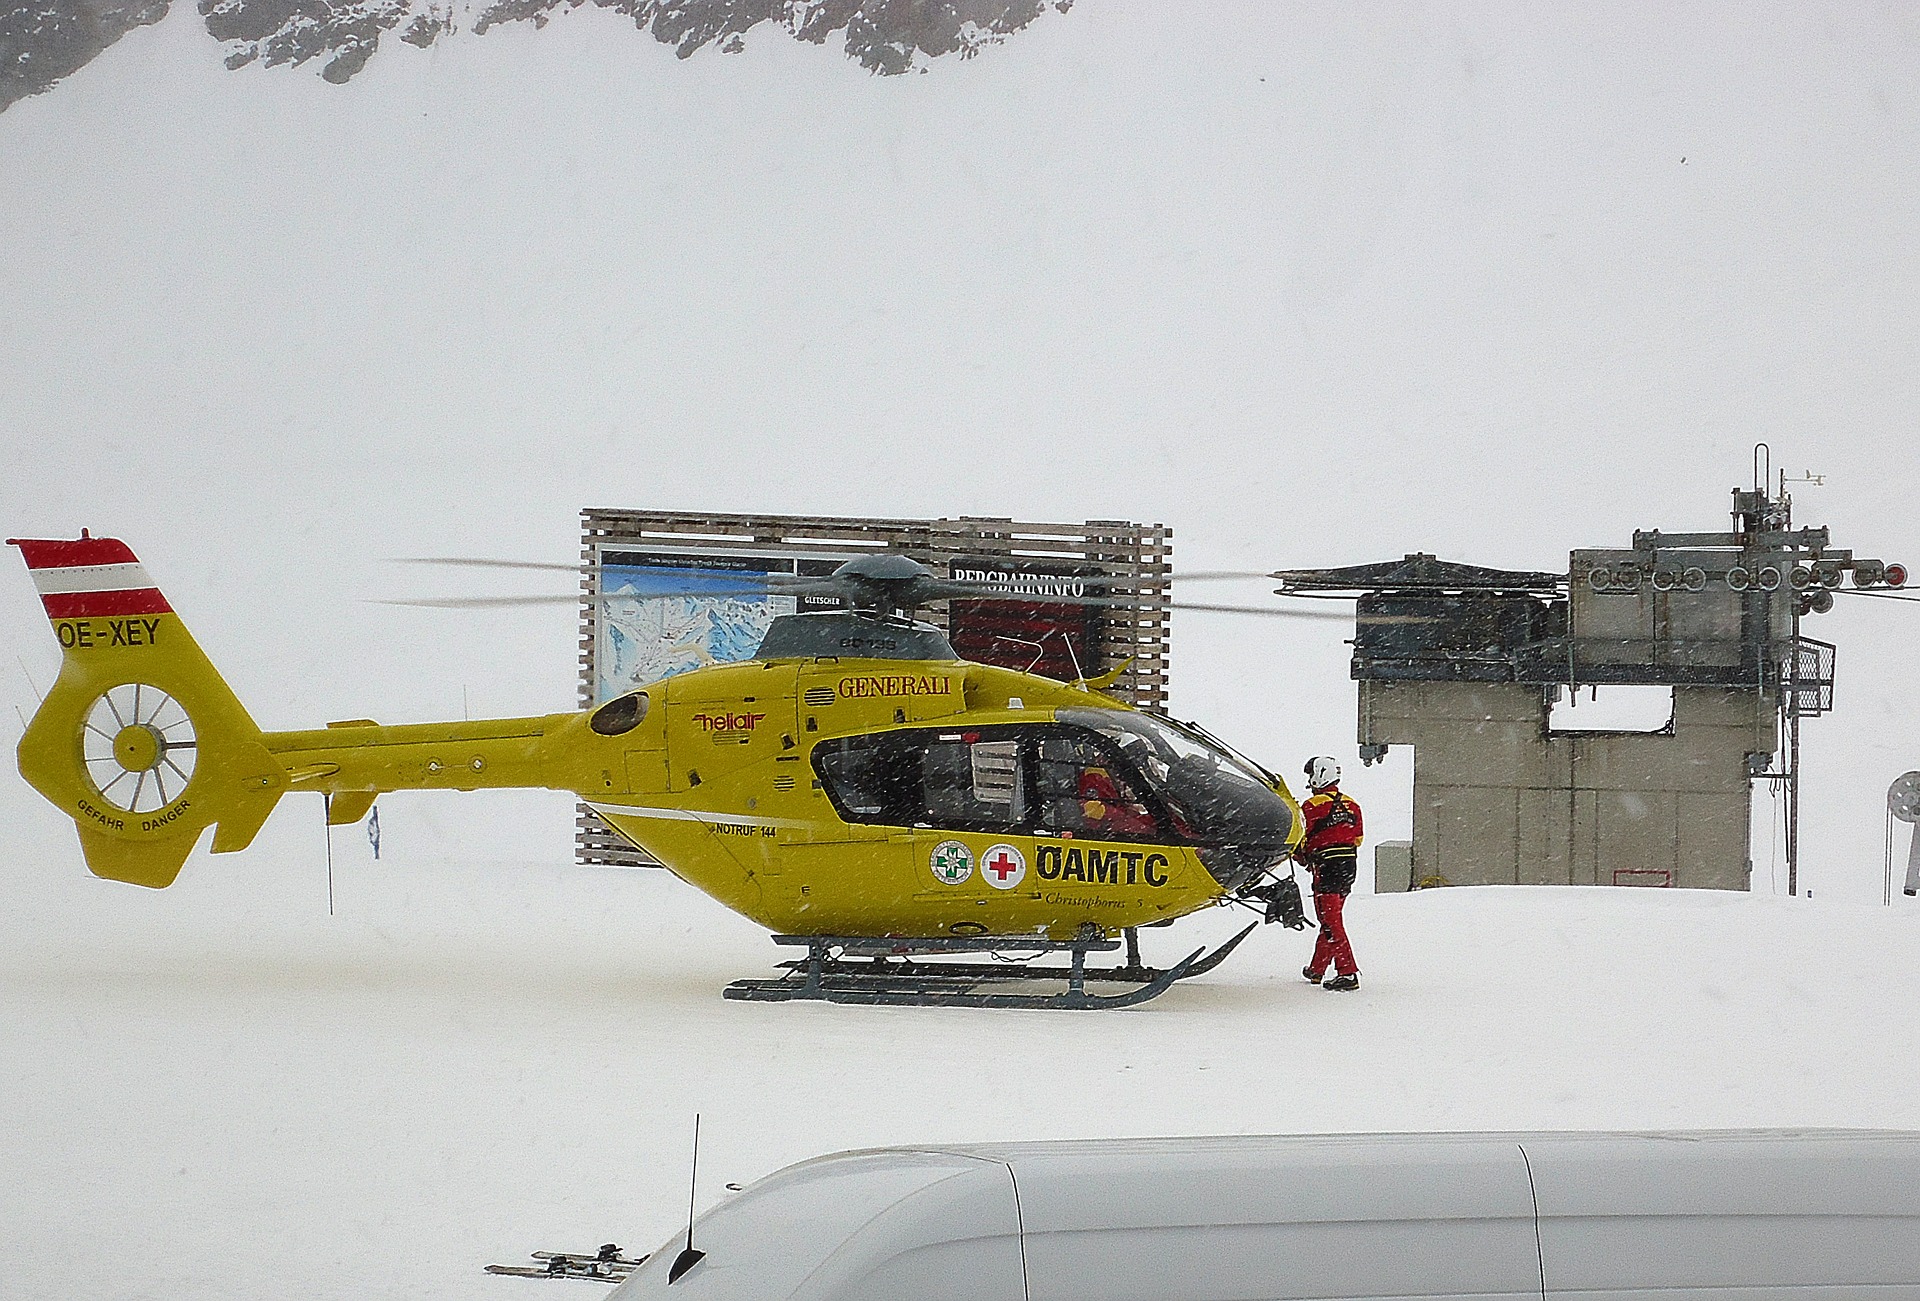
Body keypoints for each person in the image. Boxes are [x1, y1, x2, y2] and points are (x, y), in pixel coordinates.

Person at [1297, 756, 1362, 992]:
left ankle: (1348, 973)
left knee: (1330, 921)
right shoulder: (1353, 804)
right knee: (1331, 918)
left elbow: (1299, 839)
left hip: (1326, 868)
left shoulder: (1311, 806)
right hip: (1349, 867)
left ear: (1318, 775)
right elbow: (1358, 838)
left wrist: (1302, 856)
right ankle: (1317, 968)